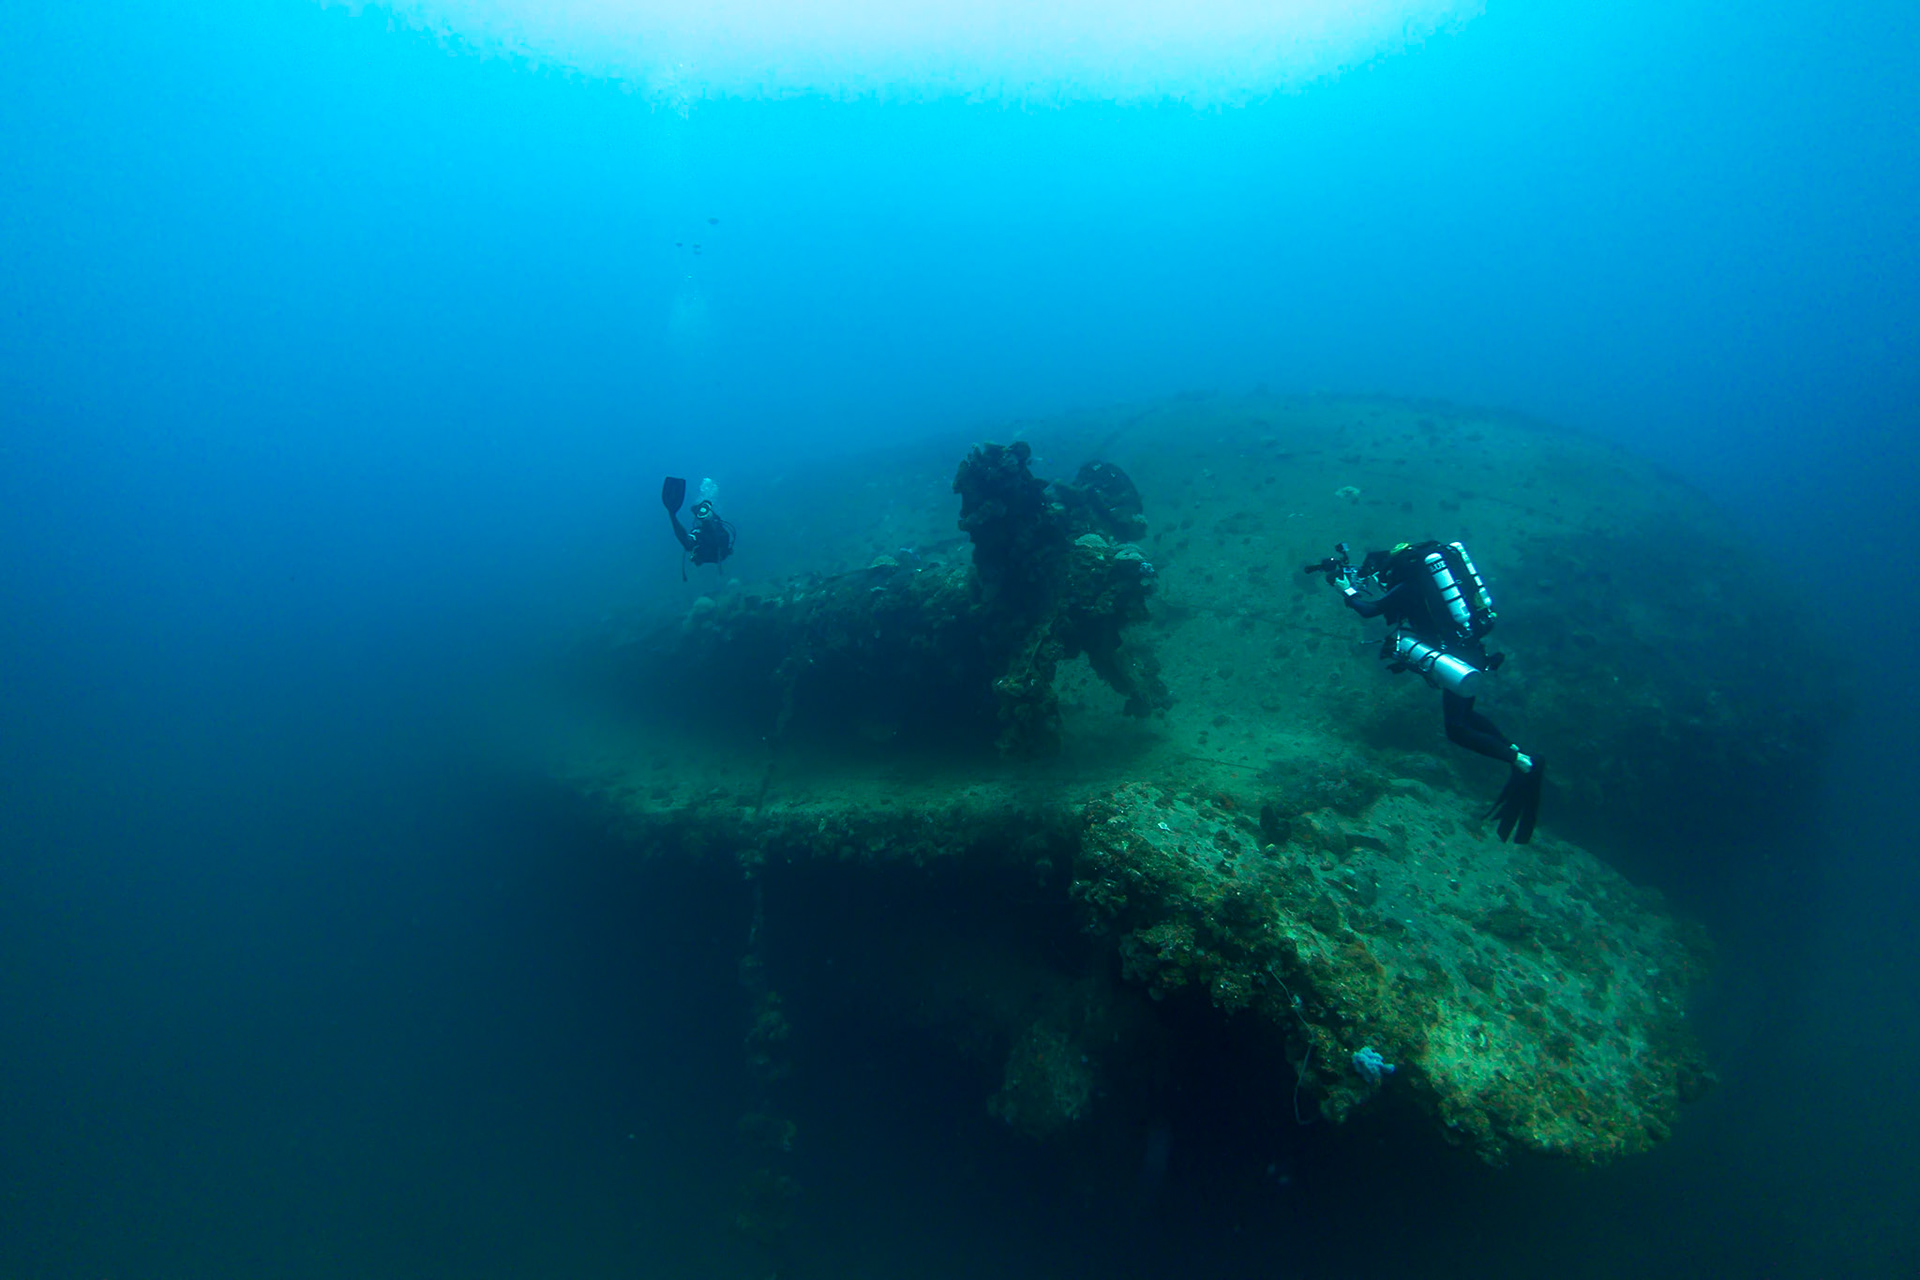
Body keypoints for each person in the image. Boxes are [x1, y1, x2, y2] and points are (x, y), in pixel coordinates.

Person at [1305, 540, 1543, 843]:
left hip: (1457, 658)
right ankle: (1518, 755)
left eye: (1382, 575)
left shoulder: (1408, 587)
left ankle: (1521, 761)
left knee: (1456, 728)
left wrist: (1345, 590)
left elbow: (1369, 610)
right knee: (1466, 716)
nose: (1381, 580)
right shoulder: (1428, 583)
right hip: (1469, 651)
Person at [661, 476, 735, 579]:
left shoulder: (721, 529)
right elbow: (687, 543)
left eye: (705, 510)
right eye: (700, 512)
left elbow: (720, 540)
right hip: (707, 563)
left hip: (718, 559)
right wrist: (672, 516)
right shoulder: (697, 533)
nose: (703, 514)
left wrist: (672, 514)